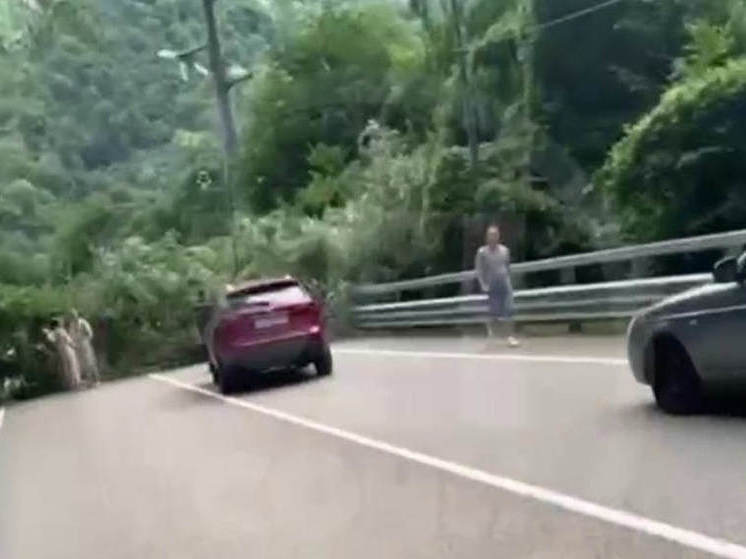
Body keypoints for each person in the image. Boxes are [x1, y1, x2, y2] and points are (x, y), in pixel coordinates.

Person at [475, 224, 520, 348]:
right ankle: (492, 335)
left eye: (495, 235)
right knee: (493, 312)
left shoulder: (505, 250)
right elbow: (479, 270)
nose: (493, 237)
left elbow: (508, 267)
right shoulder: (482, 252)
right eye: (490, 235)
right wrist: (483, 284)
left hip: (505, 282)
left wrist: (509, 280)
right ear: (487, 237)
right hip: (492, 285)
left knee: (509, 310)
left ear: (499, 236)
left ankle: (510, 336)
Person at [43, 318, 81, 389]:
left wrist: (47, 333)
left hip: (61, 350)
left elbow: (50, 340)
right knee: (72, 364)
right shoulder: (62, 331)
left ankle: (69, 383)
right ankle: (75, 382)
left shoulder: (53, 332)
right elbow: (68, 340)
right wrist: (74, 346)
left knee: (65, 367)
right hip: (67, 348)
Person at [69, 309, 100, 386]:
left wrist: (86, 341)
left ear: (77, 315)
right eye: (71, 315)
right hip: (77, 345)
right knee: (82, 364)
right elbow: (71, 335)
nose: (73, 317)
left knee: (90, 361)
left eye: (74, 315)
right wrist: (73, 344)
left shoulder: (83, 322)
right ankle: (88, 380)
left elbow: (90, 333)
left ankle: (96, 379)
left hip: (84, 343)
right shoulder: (71, 325)